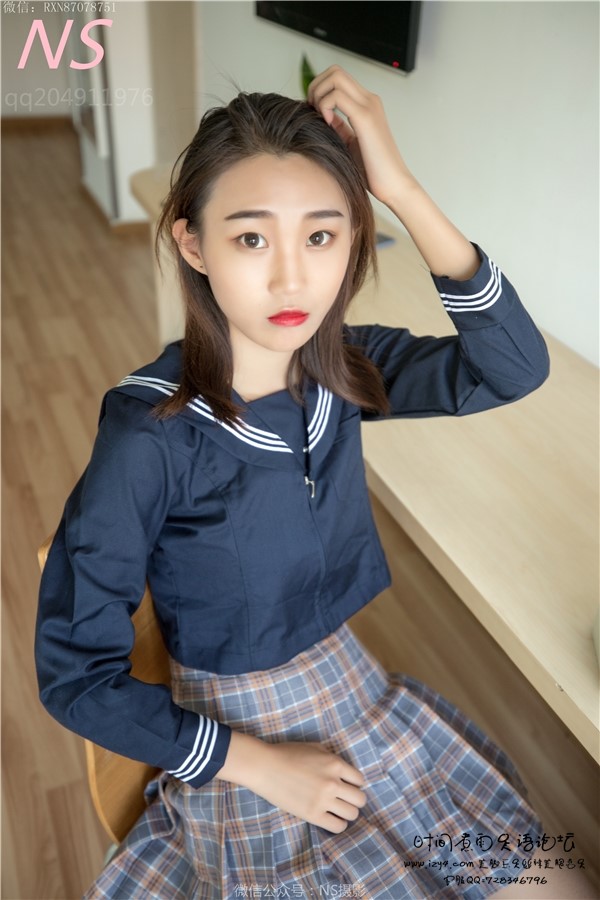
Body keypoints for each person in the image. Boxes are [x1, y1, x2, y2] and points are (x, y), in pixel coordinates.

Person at [35, 66, 587, 899]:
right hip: (241, 744)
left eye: (322, 237)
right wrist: (260, 765)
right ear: (193, 244)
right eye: (252, 240)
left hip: (357, 689)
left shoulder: (341, 366)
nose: (292, 280)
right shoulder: (150, 435)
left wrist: (400, 188)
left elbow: (512, 367)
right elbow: (76, 677)